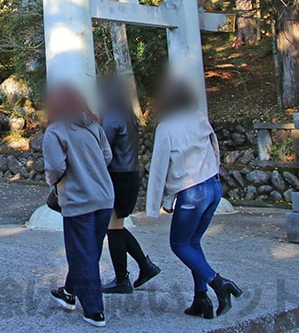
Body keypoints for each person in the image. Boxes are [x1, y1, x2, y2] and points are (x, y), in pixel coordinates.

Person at [146, 78, 242, 319]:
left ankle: (218, 283)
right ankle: (201, 298)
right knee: (193, 242)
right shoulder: (199, 117)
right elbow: (215, 147)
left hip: (191, 191)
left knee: (179, 244)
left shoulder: (166, 128)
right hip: (212, 186)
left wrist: (158, 203)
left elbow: (159, 169)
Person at [44, 84, 114, 328]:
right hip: (104, 196)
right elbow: (107, 157)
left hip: (78, 199)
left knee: (82, 253)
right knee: (89, 251)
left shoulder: (55, 132)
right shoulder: (94, 126)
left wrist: (54, 182)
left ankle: (94, 310)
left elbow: (55, 168)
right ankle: (69, 292)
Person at [99, 77, 161, 294]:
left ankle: (122, 279)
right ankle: (144, 266)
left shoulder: (112, 115)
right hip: (130, 174)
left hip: (117, 176)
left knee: (113, 229)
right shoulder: (128, 115)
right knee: (116, 226)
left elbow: (102, 146)